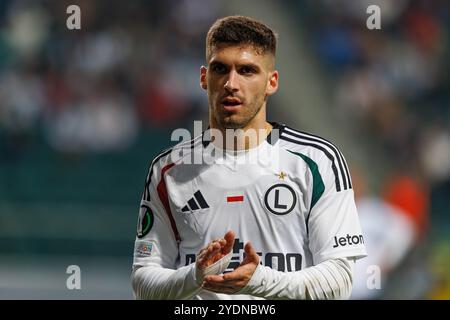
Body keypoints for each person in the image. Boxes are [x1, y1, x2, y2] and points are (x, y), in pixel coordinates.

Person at [131, 15, 366, 300]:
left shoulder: (317, 161)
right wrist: (194, 276)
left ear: (271, 82)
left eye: (247, 71)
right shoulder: (168, 171)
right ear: (205, 78)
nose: (231, 83)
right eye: (221, 69)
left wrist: (259, 281)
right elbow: (144, 281)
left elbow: (339, 280)